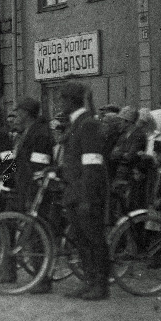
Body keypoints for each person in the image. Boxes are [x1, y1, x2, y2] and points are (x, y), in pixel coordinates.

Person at [59, 81, 110, 300]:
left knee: (94, 239)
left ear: (70, 100)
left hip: (85, 194)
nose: (59, 103)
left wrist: (87, 197)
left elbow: (92, 164)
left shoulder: (86, 124)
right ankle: (89, 281)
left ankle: (100, 284)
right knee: (81, 240)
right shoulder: (75, 123)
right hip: (73, 191)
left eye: (61, 99)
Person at [11, 97, 56, 293]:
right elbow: (15, 160)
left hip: (36, 190)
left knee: (38, 234)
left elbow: (39, 165)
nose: (16, 116)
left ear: (26, 113)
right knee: (32, 233)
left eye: (18, 112)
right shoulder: (26, 133)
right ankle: (38, 275)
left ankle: (43, 279)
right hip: (25, 188)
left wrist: (33, 188)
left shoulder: (40, 134)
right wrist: (6, 179)